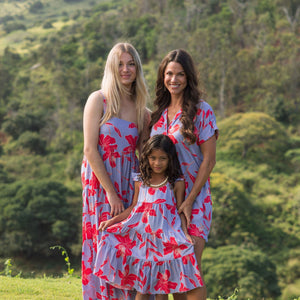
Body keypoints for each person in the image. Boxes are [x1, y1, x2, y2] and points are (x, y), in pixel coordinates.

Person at [94, 134, 203, 300]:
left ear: (170, 159)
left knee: (169, 288)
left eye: (162, 158)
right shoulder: (141, 179)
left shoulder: (175, 182)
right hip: (144, 240)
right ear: (146, 157)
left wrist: (185, 234)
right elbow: (134, 207)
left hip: (166, 238)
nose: (157, 163)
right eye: (152, 158)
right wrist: (112, 221)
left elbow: (179, 210)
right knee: (143, 289)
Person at [81, 42, 150, 300]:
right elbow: (89, 150)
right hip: (101, 183)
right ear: (112, 67)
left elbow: (146, 151)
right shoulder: (98, 99)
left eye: (131, 63)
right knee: (103, 241)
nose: (126, 69)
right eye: (120, 64)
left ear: (137, 68)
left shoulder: (142, 109)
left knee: (127, 244)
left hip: (128, 181)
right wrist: (110, 193)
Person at [149, 49, 218, 300]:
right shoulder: (157, 115)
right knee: (169, 274)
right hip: (163, 203)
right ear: (162, 77)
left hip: (194, 200)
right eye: (169, 73)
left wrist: (189, 201)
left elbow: (209, 160)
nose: (174, 79)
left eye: (179, 74)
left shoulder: (202, 110)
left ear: (188, 77)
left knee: (189, 270)